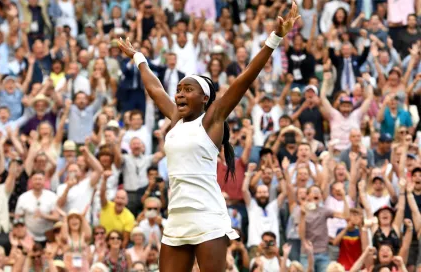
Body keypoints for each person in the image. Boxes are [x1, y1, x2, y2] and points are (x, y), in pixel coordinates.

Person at [117, 2, 300, 271]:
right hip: (177, 216)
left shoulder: (213, 120)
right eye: (178, 89)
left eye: (187, 89)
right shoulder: (176, 118)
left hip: (207, 216)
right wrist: (139, 57)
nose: (179, 94)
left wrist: (275, 38)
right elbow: (155, 89)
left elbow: (244, 78)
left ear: (205, 98)